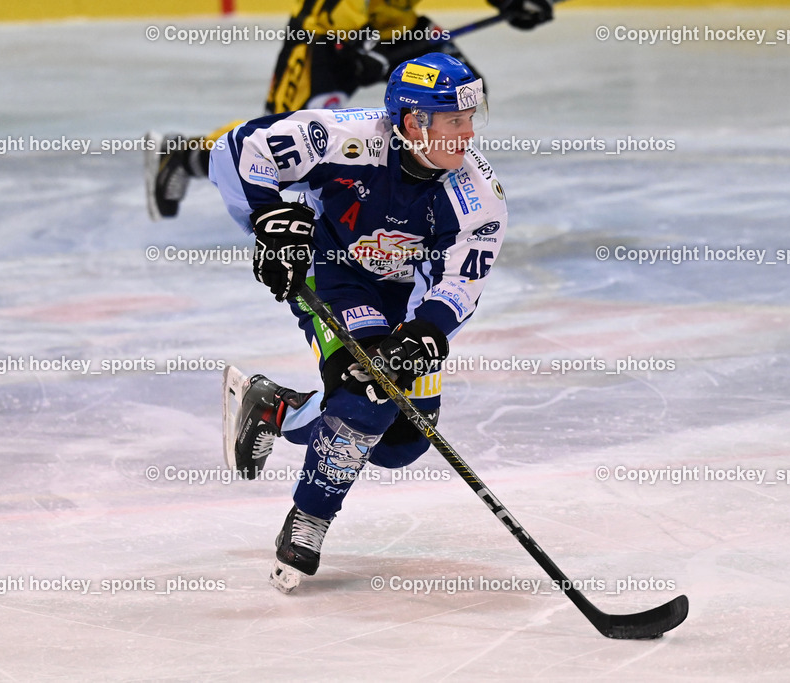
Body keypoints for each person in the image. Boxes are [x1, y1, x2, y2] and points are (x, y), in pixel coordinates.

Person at [210, 52, 508, 593]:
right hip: (336, 277)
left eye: (471, 119)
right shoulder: (345, 138)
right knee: (365, 395)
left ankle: (277, 408)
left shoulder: (475, 194)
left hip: (406, 302)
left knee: (401, 442)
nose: (468, 135)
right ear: (414, 122)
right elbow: (235, 150)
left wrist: (427, 333)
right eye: (455, 121)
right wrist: (268, 219)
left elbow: (462, 281)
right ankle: (310, 519)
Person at [145, 0, 551, 220]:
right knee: (279, 132)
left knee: (462, 92)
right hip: (326, 37)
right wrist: (359, 48)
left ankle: (424, 191)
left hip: (397, 26)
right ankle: (187, 155)